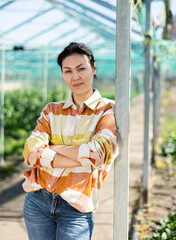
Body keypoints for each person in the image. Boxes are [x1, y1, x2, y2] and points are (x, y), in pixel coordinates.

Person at [22, 42, 119, 240]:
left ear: (94, 68)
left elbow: (97, 154)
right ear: (63, 74)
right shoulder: (51, 110)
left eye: (81, 68)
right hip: (37, 200)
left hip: (76, 207)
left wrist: (51, 148)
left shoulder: (108, 110)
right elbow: (30, 151)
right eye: (68, 71)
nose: (75, 76)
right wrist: (79, 157)